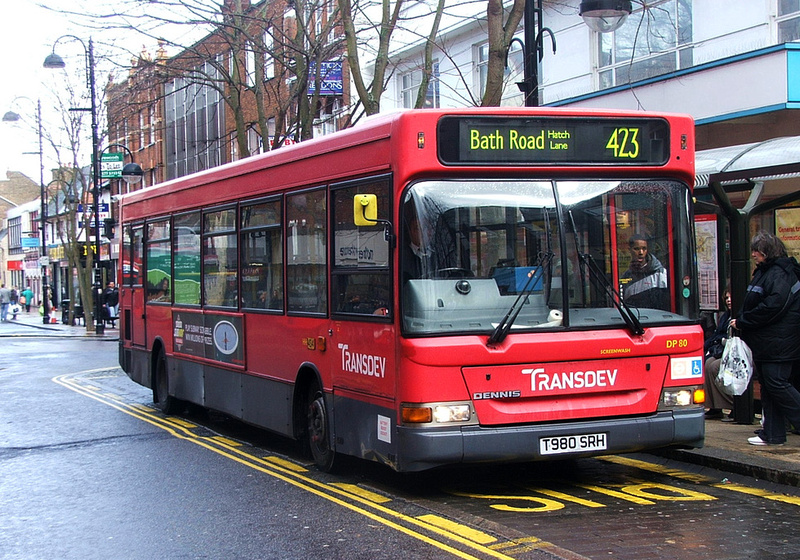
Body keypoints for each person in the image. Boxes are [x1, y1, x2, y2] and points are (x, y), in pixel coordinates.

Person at [730, 231, 800, 446]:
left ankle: (776, 431)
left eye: (757, 251)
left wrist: (744, 320)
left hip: (778, 342)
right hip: (771, 342)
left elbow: (773, 306)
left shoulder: (779, 274)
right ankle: (773, 433)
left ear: (767, 252)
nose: (753, 255)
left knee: (776, 383)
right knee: (770, 387)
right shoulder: (769, 271)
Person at [703, 287, 734, 420]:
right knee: (707, 363)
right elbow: (717, 334)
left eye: (730, 297)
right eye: (726, 298)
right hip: (723, 350)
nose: (728, 301)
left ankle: (732, 405)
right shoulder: (725, 316)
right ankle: (714, 406)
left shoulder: (739, 315)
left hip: (735, 353)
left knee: (715, 367)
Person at [621, 234, 670, 310]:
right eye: (636, 249)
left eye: (644, 249)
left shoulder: (660, 273)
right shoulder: (626, 277)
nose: (641, 252)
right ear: (629, 250)